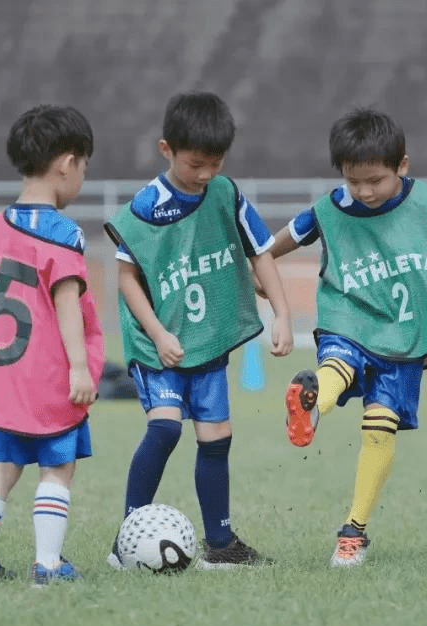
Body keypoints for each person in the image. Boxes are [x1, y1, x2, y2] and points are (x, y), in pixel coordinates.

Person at [267, 108, 427, 567]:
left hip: (404, 335)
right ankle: (313, 405)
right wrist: (262, 281)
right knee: (337, 367)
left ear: (402, 166)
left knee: (379, 425)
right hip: (347, 316)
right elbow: (273, 248)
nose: (364, 191)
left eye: (375, 180)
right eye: (354, 181)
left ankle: (354, 526)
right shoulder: (328, 208)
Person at [104, 91, 293, 570]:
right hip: (157, 344)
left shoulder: (227, 195)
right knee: (165, 427)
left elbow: (261, 253)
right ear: (166, 149)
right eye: (195, 164)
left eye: (216, 162)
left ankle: (221, 544)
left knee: (217, 437)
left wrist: (284, 314)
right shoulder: (145, 208)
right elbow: (126, 279)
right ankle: (125, 540)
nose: (206, 174)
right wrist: (159, 334)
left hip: (205, 340)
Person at [0, 104, 104, 586]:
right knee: (57, 468)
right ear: (66, 162)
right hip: (50, 375)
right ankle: (49, 565)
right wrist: (79, 366)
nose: (81, 178)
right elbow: (66, 299)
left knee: (3, 466)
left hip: (6, 378)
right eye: (84, 167)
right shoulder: (63, 231)